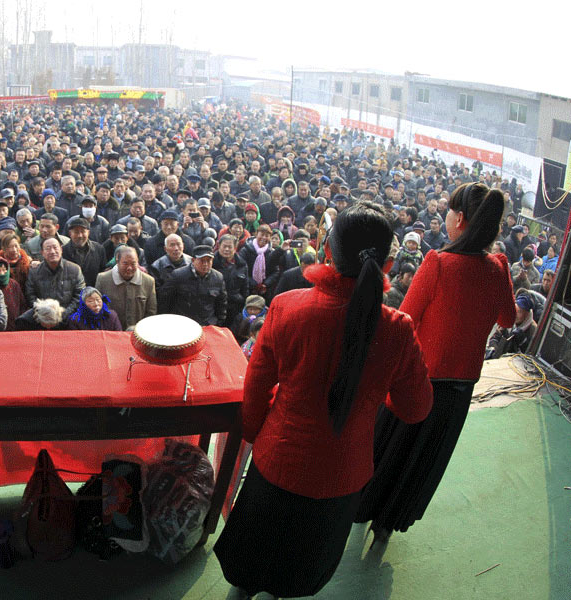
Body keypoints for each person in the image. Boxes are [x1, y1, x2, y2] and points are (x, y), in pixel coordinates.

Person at [214, 201, 433, 599]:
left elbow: (256, 388)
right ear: (386, 265)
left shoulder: (288, 307)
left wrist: (253, 433)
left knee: (247, 571)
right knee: (297, 575)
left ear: (328, 251)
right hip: (342, 477)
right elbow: (416, 407)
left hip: (278, 462)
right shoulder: (398, 329)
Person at [355, 182, 516, 546]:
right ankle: (388, 523)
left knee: (388, 449)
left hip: (417, 382)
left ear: (459, 219)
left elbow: (405, 317)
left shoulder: (439, 263)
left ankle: (362, 509)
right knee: (422, 460)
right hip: (459, 391)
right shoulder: (498, 267)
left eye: (448, 209)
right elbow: (507, 318)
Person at [95, 245, 157, 331]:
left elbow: (151, 312)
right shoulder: (103, 279)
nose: (129, 268)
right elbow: (97, 309)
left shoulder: (149, 281)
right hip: (111, 333)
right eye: (125, 263)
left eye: (133, 263)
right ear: (117, 261)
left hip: (138, 334)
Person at [164, 245, 227, 326]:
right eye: (202, 261)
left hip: (207, 324)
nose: (205, 264)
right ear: (193, 260)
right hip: (182, 324)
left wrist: (218, 322)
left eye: (209, 261)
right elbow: (166, 300)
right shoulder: (178, 276)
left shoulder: (218, 278)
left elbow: (222, 304)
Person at [486, 294, 538, 358]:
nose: (515, 314)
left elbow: (531, 355)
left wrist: (523, 342)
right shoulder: (508, 320)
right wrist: (494, 349)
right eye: (515, 310)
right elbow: (494, 338)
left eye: (519, 312)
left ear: (527, 314)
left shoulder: (533, 330)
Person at [0, 255, 26, 331]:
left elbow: (22, 305)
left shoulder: (13, 284)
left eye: (4, 270)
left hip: (15, 329)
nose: (2, 274)